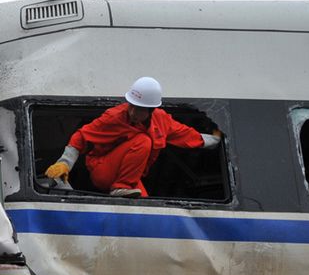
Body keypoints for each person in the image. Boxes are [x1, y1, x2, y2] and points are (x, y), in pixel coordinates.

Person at [44, 77, 221, 197]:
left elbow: (187, 136)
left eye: (140, 109)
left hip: (130, 177)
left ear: (151, 110)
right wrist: (64, 163)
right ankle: (121, 187)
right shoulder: (114, 117)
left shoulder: (162, 121)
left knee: (145, 208)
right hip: (103, 171)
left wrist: (218, 140)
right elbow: (81, 137)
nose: (133, 112)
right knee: (143, 141)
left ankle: (125, 191)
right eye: (131, 105)